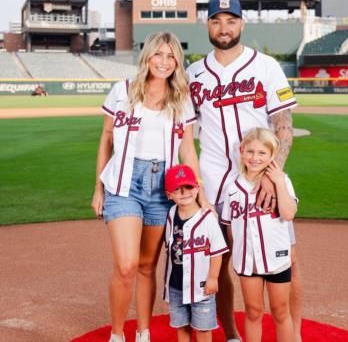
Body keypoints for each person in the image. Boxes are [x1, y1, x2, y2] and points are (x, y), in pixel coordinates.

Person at [186, 0, 303, 342]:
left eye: (231, 20)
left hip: (258, 178)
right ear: (207, 25)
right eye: (217, 21)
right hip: (212, 180)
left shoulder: (265, 65)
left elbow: (284, 124)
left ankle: (294, 333)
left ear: (242, 24)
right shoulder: (194, 73)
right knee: (218, 263)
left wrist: (273, 175)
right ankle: (233, 334)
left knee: (288, 259)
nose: (224, 28)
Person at [91, 32, 207, 342]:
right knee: (127, 265)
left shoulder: (181, 98)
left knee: (147, 265)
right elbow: (106, 139)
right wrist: (98, 187)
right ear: (147, 56)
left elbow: (187, 150)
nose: (164, 62)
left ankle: (143, 332)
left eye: (171, 57)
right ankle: (117, 334)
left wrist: (199, 195)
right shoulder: (122, 91)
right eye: (159, 55)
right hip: (125, 184)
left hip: (163, 187)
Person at [221, 128, 298, 342]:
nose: (255, 158)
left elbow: (289, 213)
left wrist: (279, 182)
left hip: (277, 258)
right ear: (242, 151)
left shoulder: (280, 182)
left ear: (272, 156)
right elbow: (230, 227)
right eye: (251, 152)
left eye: (262, 153)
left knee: (280, 311)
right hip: (247, 261)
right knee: (253, 311)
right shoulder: (232, 188)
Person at [163, 164, 229, 342]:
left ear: (197, 189)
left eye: (189, 187)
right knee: (181, 326)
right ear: (169, 194)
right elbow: (169, 247)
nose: (184, 192)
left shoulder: (208, 218)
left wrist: (213, 278)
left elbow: (217, 252)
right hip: (176, 285)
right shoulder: (171, 214)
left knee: (203, 328)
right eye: (177, 189)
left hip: (201, 287)